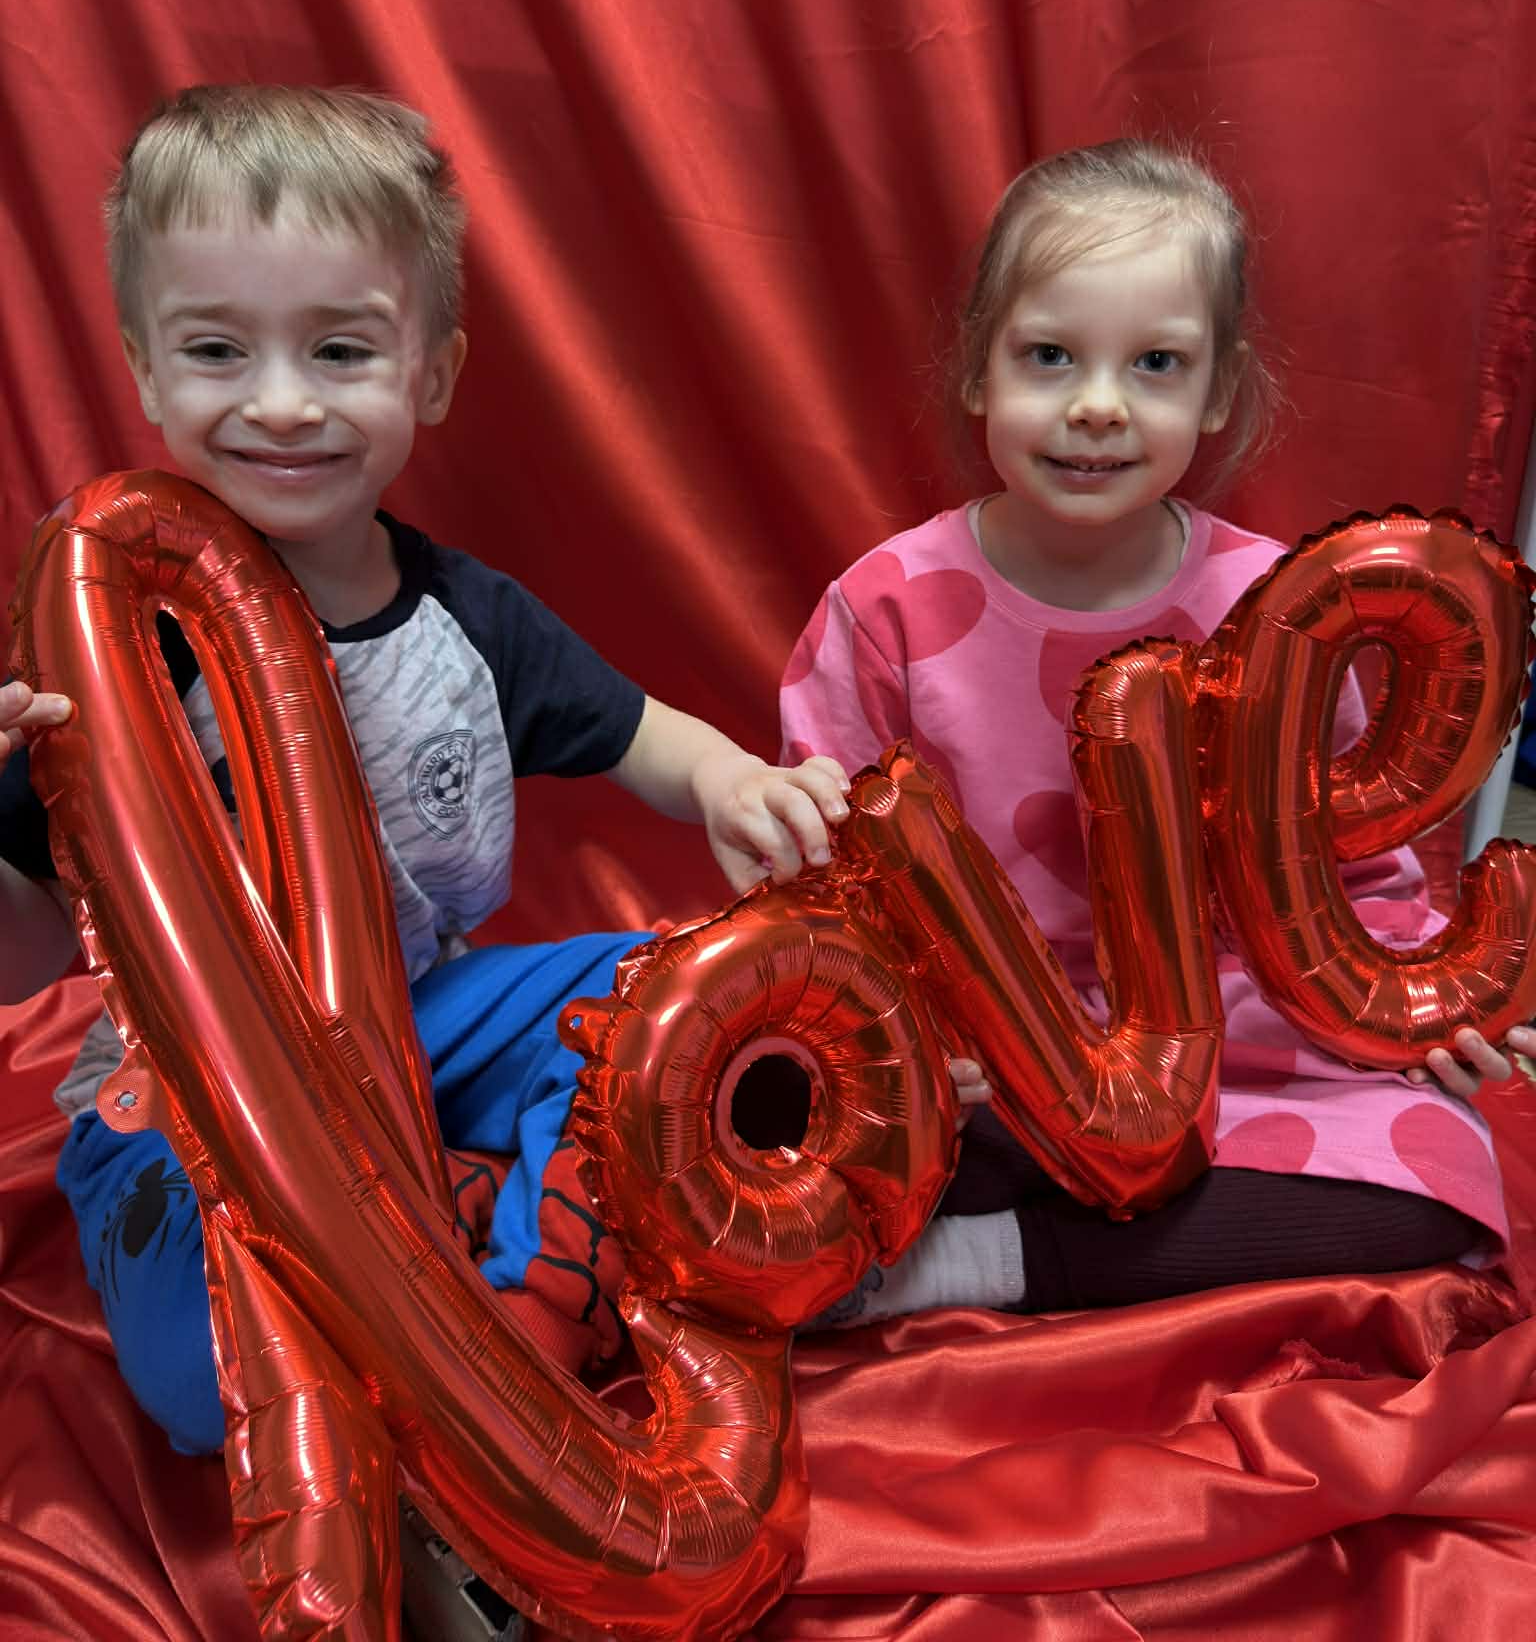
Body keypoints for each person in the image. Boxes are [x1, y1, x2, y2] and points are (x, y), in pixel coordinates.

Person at [0, 83, 850, 1455]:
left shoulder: (463, 617)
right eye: (217, 351)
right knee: (198, 1397)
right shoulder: (109, 646)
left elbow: (646, 733)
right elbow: (33, 946)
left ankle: (526, 1308)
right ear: (146, 372)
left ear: (431, 374)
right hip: (189, 1082)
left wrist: (731, 782)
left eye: (341, 350)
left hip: (421, 1019)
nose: (283, 404)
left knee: (664, 992)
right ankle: (431, 1240)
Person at [781, 137, 1536, 1326]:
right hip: (986, 1056)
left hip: (1240, 1044)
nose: (1097, 403)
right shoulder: (886, 605)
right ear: (978, 368)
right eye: (1049, 356)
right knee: (796, 1123)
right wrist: (909, 1034)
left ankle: (999, 1262)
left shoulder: (1275, 605)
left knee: (1441, 1186)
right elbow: (822, 880)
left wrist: (1424, 1006)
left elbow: (1356, 872)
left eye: (1155, 363)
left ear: (1218, 392)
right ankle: (1018, 1202)